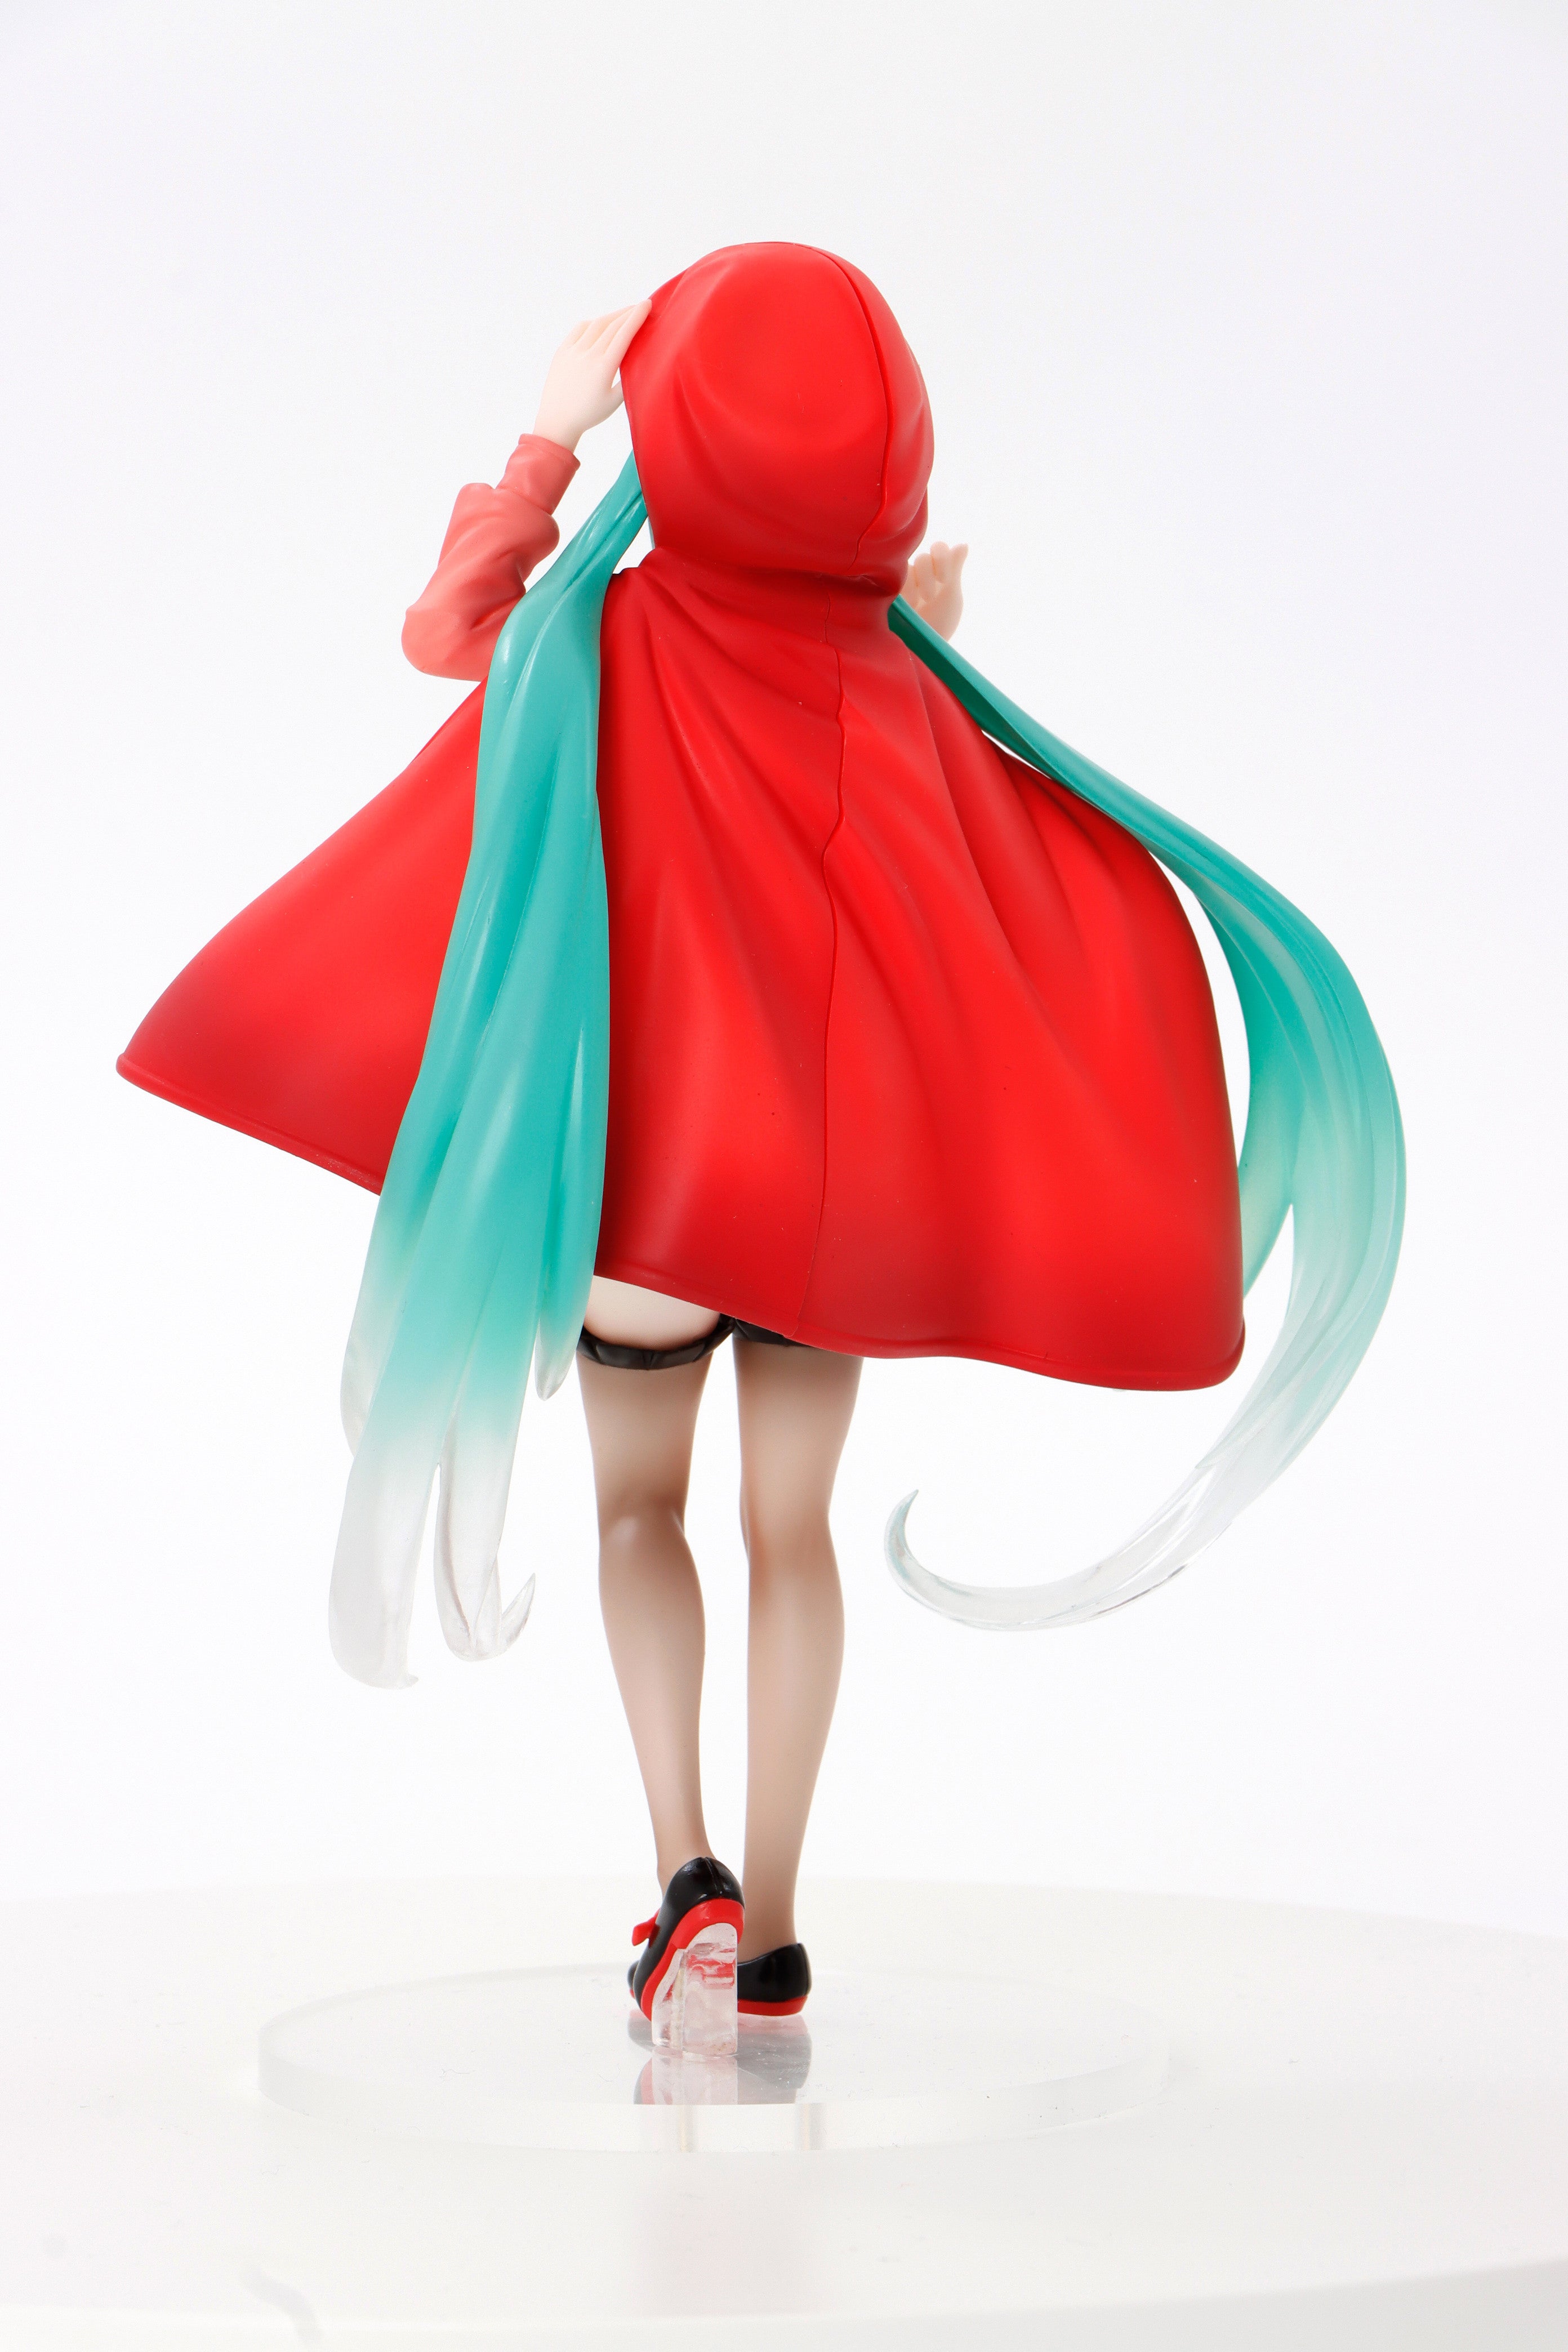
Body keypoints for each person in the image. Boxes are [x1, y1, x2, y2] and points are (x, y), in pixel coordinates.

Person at [118, 244, 1403, 2050]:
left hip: (648, 1214)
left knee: (640, 1508)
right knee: (788, 1531)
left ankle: (687, 1884)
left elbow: (446, 633)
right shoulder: (900, 687)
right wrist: (928, 642)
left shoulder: (597, 640)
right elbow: (972, 865)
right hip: (829, 1219)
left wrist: (550, 436)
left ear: (683, 435)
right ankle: (780, 1935)